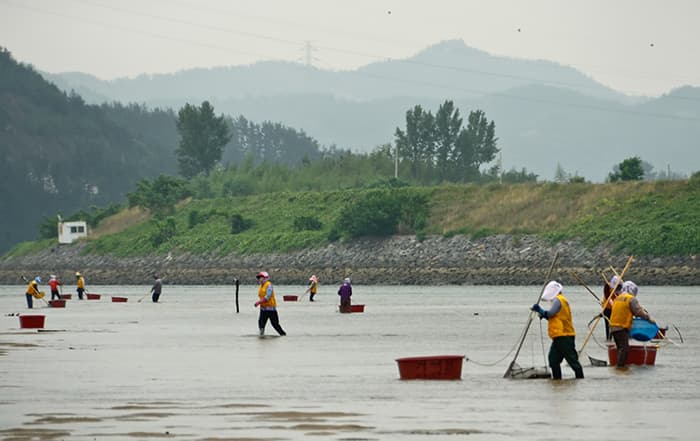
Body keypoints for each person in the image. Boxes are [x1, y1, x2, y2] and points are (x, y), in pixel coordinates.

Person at [531, 281, 584, 379]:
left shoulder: (558, 300)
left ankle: (580, 379)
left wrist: (540, 310)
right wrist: (543, 315)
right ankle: (557, 381)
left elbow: (551, 313)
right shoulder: (561, 300)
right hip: (558, 336)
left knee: (572, 361)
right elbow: (556, 317)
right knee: (553, 360)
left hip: (564, 336)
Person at [609, 280, 655, 368]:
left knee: (620, 348)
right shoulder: (631, 299)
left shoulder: (618, 297)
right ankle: (620, 367)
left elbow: (624, 311)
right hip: (621, 327)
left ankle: (618, 367)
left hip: (613, 326)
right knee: (624, 349)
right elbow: (638, 312)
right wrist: (648, 318)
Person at [254, 271, 286, 336]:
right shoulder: (261, 286)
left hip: (271, 309)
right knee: (261, 325)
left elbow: (267, 297)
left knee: (275, 325)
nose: (259, 279)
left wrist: (258, 302)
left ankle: (283, 335)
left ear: (265, 278)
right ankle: (261, 337)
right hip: (263, 309)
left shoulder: (269, 285)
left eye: (261, 277)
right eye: (259, 278)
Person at [602, 275, 622, 340]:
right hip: (607, 308)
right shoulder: (607, 286)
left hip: (616, 309)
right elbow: (608, 297)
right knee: (608, 325)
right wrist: (613, 305)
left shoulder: (620, 287)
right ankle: (608, 339)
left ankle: (616, 340)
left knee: (616, 325)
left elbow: (621, 296)